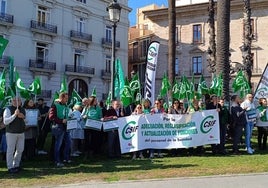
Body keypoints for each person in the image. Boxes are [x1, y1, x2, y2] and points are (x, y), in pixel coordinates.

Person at [49, 92, 72, 167]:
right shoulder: (55, 105)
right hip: (58, 127)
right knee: (58, 144)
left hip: (66, 127)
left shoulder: (66, 106)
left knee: (68, 143)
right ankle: (57, 160)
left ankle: (65, 158)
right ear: (61, 98)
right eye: (66, 98)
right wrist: (61, 121)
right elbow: (51, 117)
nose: (67, 99)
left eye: (67, 98)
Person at [3, 97, 26, 173]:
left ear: (20, 101)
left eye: (18, 100)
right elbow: (6, 121)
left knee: (20, 149)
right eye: (14, 100)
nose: (16, 101)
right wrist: (15, 115)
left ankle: (16, 165)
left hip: (21, 132)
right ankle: (10, 167)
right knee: (10, 150)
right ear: (12, 101)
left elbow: (27, 121)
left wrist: (23, 117)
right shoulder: (8, 109)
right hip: (11, 133)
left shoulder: (23, 109)